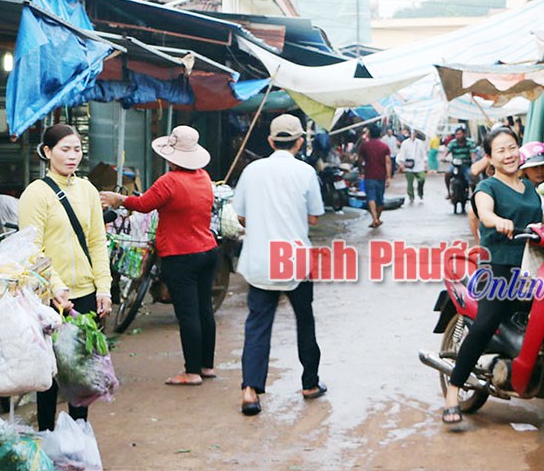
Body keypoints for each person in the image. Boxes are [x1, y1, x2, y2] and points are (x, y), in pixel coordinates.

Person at [443, 127, 544, 425]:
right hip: (498, 268)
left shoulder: (529, 189)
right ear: (490, 157)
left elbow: (537, 221)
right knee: (486, 323)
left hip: (532, 267)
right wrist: (498, 221)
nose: (509, 154)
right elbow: (485, 214)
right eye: (500, 150)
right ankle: (453, 390)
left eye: (512, 147)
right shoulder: (488, 187)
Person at [100, 125, 218, 387]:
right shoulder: (204, 177)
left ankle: (192, 372)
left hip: (181, 255)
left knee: (188, 314)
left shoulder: (170, 181)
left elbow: (143, 205)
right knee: (204, 311)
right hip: (208, 250)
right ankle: (207, 366)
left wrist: (118, 198)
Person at [17, 123, 112, 427]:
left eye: (77, 150)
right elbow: (32, 248)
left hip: (83, 296)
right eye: (64, 149)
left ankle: (79, 436)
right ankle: (46, 434)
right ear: (47, 152)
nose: (72, 156)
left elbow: (97, 242)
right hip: (50, 298)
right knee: (50, 375)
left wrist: (104, 288)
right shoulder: (36, 194)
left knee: (79, 372)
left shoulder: (87, 190)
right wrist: (55, 285)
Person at [234, 114, 326, 416]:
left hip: (260, 261)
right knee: (305, 320)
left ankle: (250, 391)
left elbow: (241, 216)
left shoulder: (252, 171)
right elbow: (314, 217)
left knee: (257, 326)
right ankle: (310, 383)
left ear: (271, 141)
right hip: (295, 261)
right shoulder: (305, 172)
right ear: (299, 142)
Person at [359, 123, 393, 228]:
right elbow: (388, 162)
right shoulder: (384, 147)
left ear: (369, 134)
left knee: (371, 198)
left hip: (369, 175)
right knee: (380, 199)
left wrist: (361, 170)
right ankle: (376, 218)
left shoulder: (364, 146)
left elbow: (360, 160)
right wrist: (388, 177)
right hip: (381, 176)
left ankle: (375, 219)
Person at [443, 127, 477, 199]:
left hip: (466, 165)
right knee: (447, 173)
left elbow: (473, 154)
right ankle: (449, 192)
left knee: (471, 176)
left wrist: (473, 160)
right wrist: (443, 157)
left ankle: (473, 194)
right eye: (457, 134)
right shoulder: (452, 143)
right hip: (455, 166)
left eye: (460, 134)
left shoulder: (470, 142)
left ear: (464, 134)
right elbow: (447, 150)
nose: (458, 136)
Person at [396, 128, 428, 204]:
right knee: (410, 182)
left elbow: (423, 154)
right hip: (408, 165)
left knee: (422, 179)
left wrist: (425, 164)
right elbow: (402, 154)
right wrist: (402, 164)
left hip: (419, 165)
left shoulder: (420, 143)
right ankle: (411, 196)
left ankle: (420, 193)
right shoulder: (405, 143)